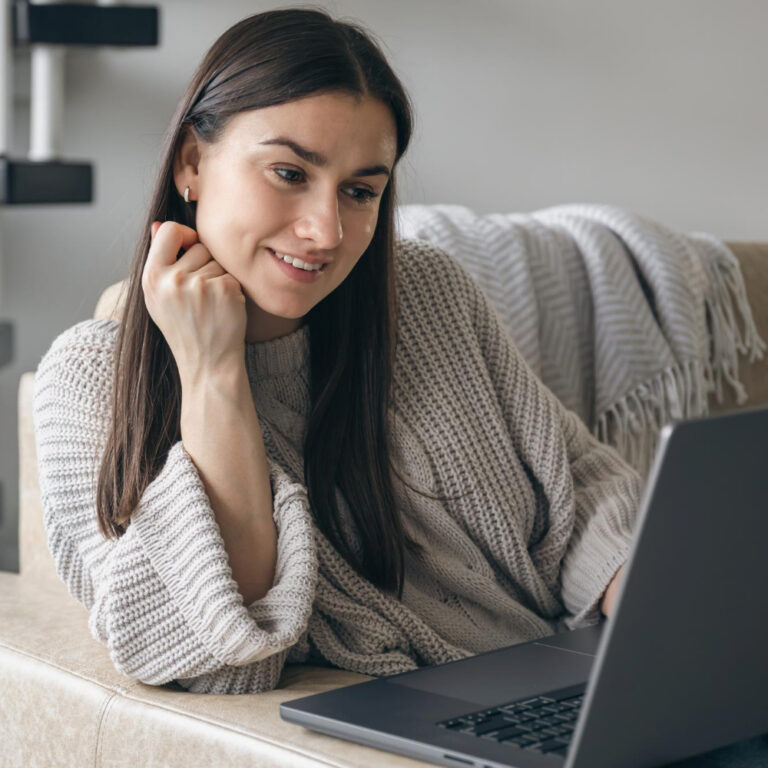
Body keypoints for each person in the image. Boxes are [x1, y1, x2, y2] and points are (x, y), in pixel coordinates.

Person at [32, 8, 639, 695]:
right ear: (192, 162)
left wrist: (658, 609)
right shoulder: (89, 381)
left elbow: (575, 483)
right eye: (289, 173)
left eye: (360, 192)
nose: (325, 231)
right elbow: (210, 652)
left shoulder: (426, 294)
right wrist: (212, 371)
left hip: (576, 687)